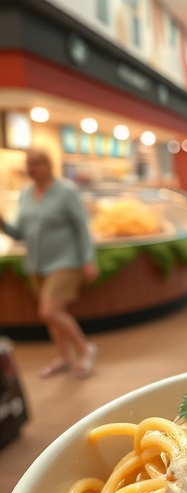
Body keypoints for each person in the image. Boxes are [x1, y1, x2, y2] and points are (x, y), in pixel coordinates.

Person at [0, 147, 98, 379]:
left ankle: (85, 350)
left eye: (35, 163)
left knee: (49, 311)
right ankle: (64, 356)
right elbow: (20, 232)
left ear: (47, 165)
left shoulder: (66, 191)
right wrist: (2, 223)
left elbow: (82, 227)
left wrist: (88, 259)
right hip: (37, 263)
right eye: (28, 163)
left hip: (66, 261)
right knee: (55, 313)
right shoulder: (25, 194)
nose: (30, 168)